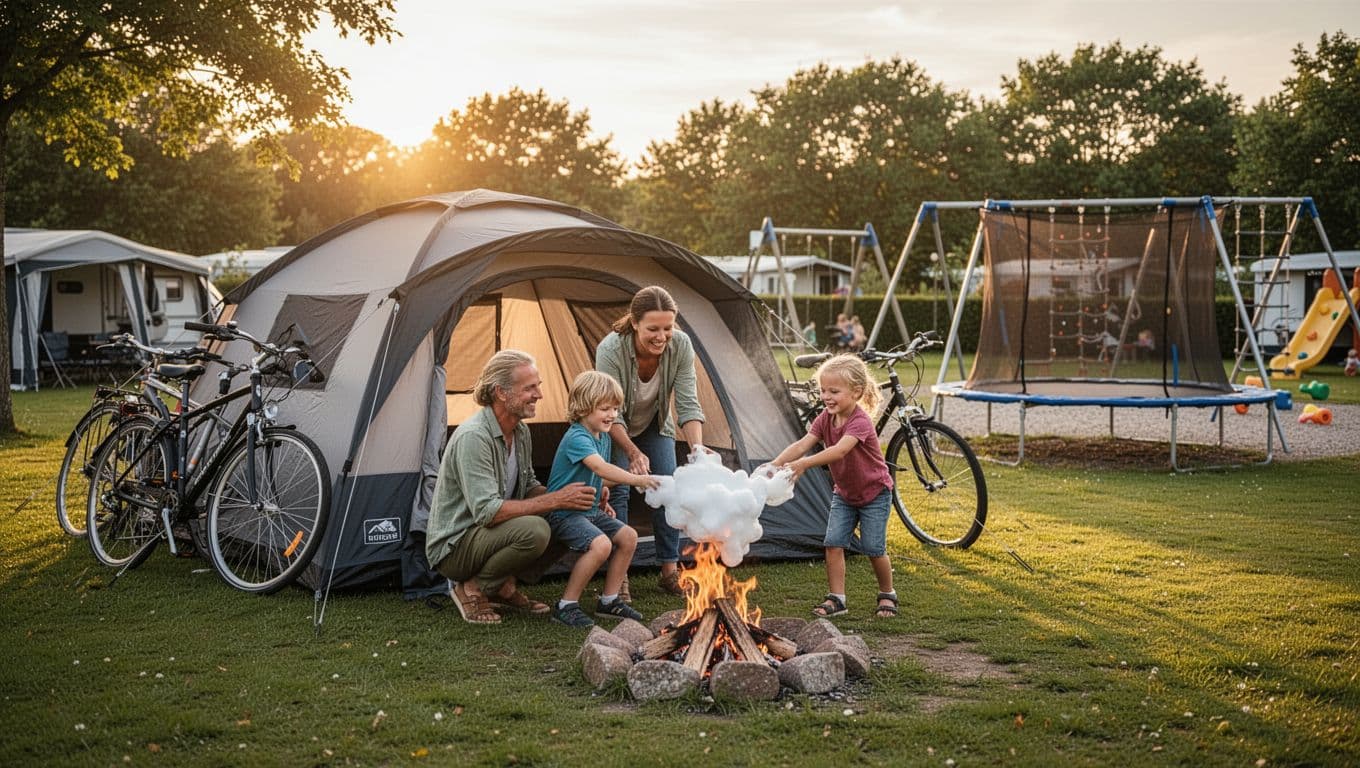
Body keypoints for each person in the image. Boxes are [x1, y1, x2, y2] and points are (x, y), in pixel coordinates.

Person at [425, 350, 598, 625]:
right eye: (529, 388)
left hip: (489, 534)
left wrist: (578, 495)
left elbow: (528, 485)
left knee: (567, 518)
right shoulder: (474, 437)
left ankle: (503, 586)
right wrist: (556, 500)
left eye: (538, 386)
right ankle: (472, 588)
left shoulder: (520, 431)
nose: (539, 394)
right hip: (456, 545)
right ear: (501, 393)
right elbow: (487, 512)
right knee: (536, 530)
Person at [596, 285, 705, 597]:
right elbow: (610, 411)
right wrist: (632, 452)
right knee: (619, 491)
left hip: (655, 424)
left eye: (667, 328)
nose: (661, 336)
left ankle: (669, 571)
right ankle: (620, 576)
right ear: (634, 323)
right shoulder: (611, 349)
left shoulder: (680, 345)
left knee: (667, 489)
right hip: (613, 426)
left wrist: (697, 449)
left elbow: (688, 403)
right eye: (653, 329)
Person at [769, 354, 898, 619]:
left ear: (856, 392)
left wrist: (804, 465)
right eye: (823, 390)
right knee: (833, 543)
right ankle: (837, 599)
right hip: (845, 495)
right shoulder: (825, 418)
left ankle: (887, 593)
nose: (826, 397)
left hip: (875, 493)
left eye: (834, 391)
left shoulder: (860, 421)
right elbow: (802, 444)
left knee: (873, 548)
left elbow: (839, 451)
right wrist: (776, 463)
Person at [545, 371, 659, 628]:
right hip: (564, 512)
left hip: (588, 509)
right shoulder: (578, 437)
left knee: (628, 536)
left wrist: (603, 494)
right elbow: (599, 468)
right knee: (601, 545)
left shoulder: (603, 437)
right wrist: (638, 480)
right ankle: (566, 605)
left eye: (615, 409)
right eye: (604, 408)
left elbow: (598, 477)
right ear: (584, 407)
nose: (612, 415)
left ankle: (609, 600)